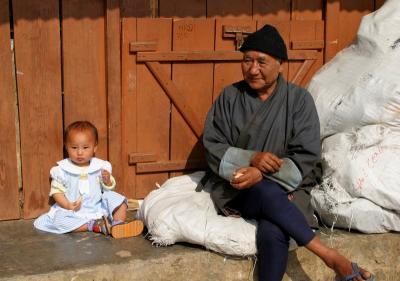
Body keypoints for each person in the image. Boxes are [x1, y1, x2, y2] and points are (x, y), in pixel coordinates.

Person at [199, 24, 374, 281]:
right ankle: (329, 256)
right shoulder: (230, 97)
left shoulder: (299, 101)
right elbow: (213, 145)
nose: (253, 68)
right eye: (247, 60)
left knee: (273, 229)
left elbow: (306, 155)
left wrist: (264, 174)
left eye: (262, 61)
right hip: (238, 189)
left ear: (281, 64)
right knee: (263, 191)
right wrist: (251, 159)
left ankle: (329, 258)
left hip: (290, 188)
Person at [34, 121, 143, 239]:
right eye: (74, 147)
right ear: (66, 146)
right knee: (58, 221)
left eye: (85, 147)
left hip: (97, 207)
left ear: (94, 147)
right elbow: (56, 192)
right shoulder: (62, 170)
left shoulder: (100, 166)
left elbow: (107, 188)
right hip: (73, 212)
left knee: (119, 200)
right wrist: (67, 205)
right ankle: (94, 226)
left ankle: (118, 224)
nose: (79, 152)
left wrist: (107, 181)